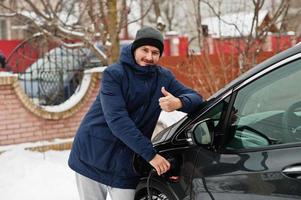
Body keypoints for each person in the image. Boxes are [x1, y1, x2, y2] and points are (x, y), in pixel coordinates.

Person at [68, 26, 203, 200]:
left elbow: (197, 98)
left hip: (126, 162)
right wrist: (151, 155)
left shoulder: (163, 78)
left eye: (155, 52)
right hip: (93, 154)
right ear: (134, 49)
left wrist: (179, 102)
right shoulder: (114, 75)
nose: (149, 56)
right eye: (144, 50)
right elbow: (117, 120)